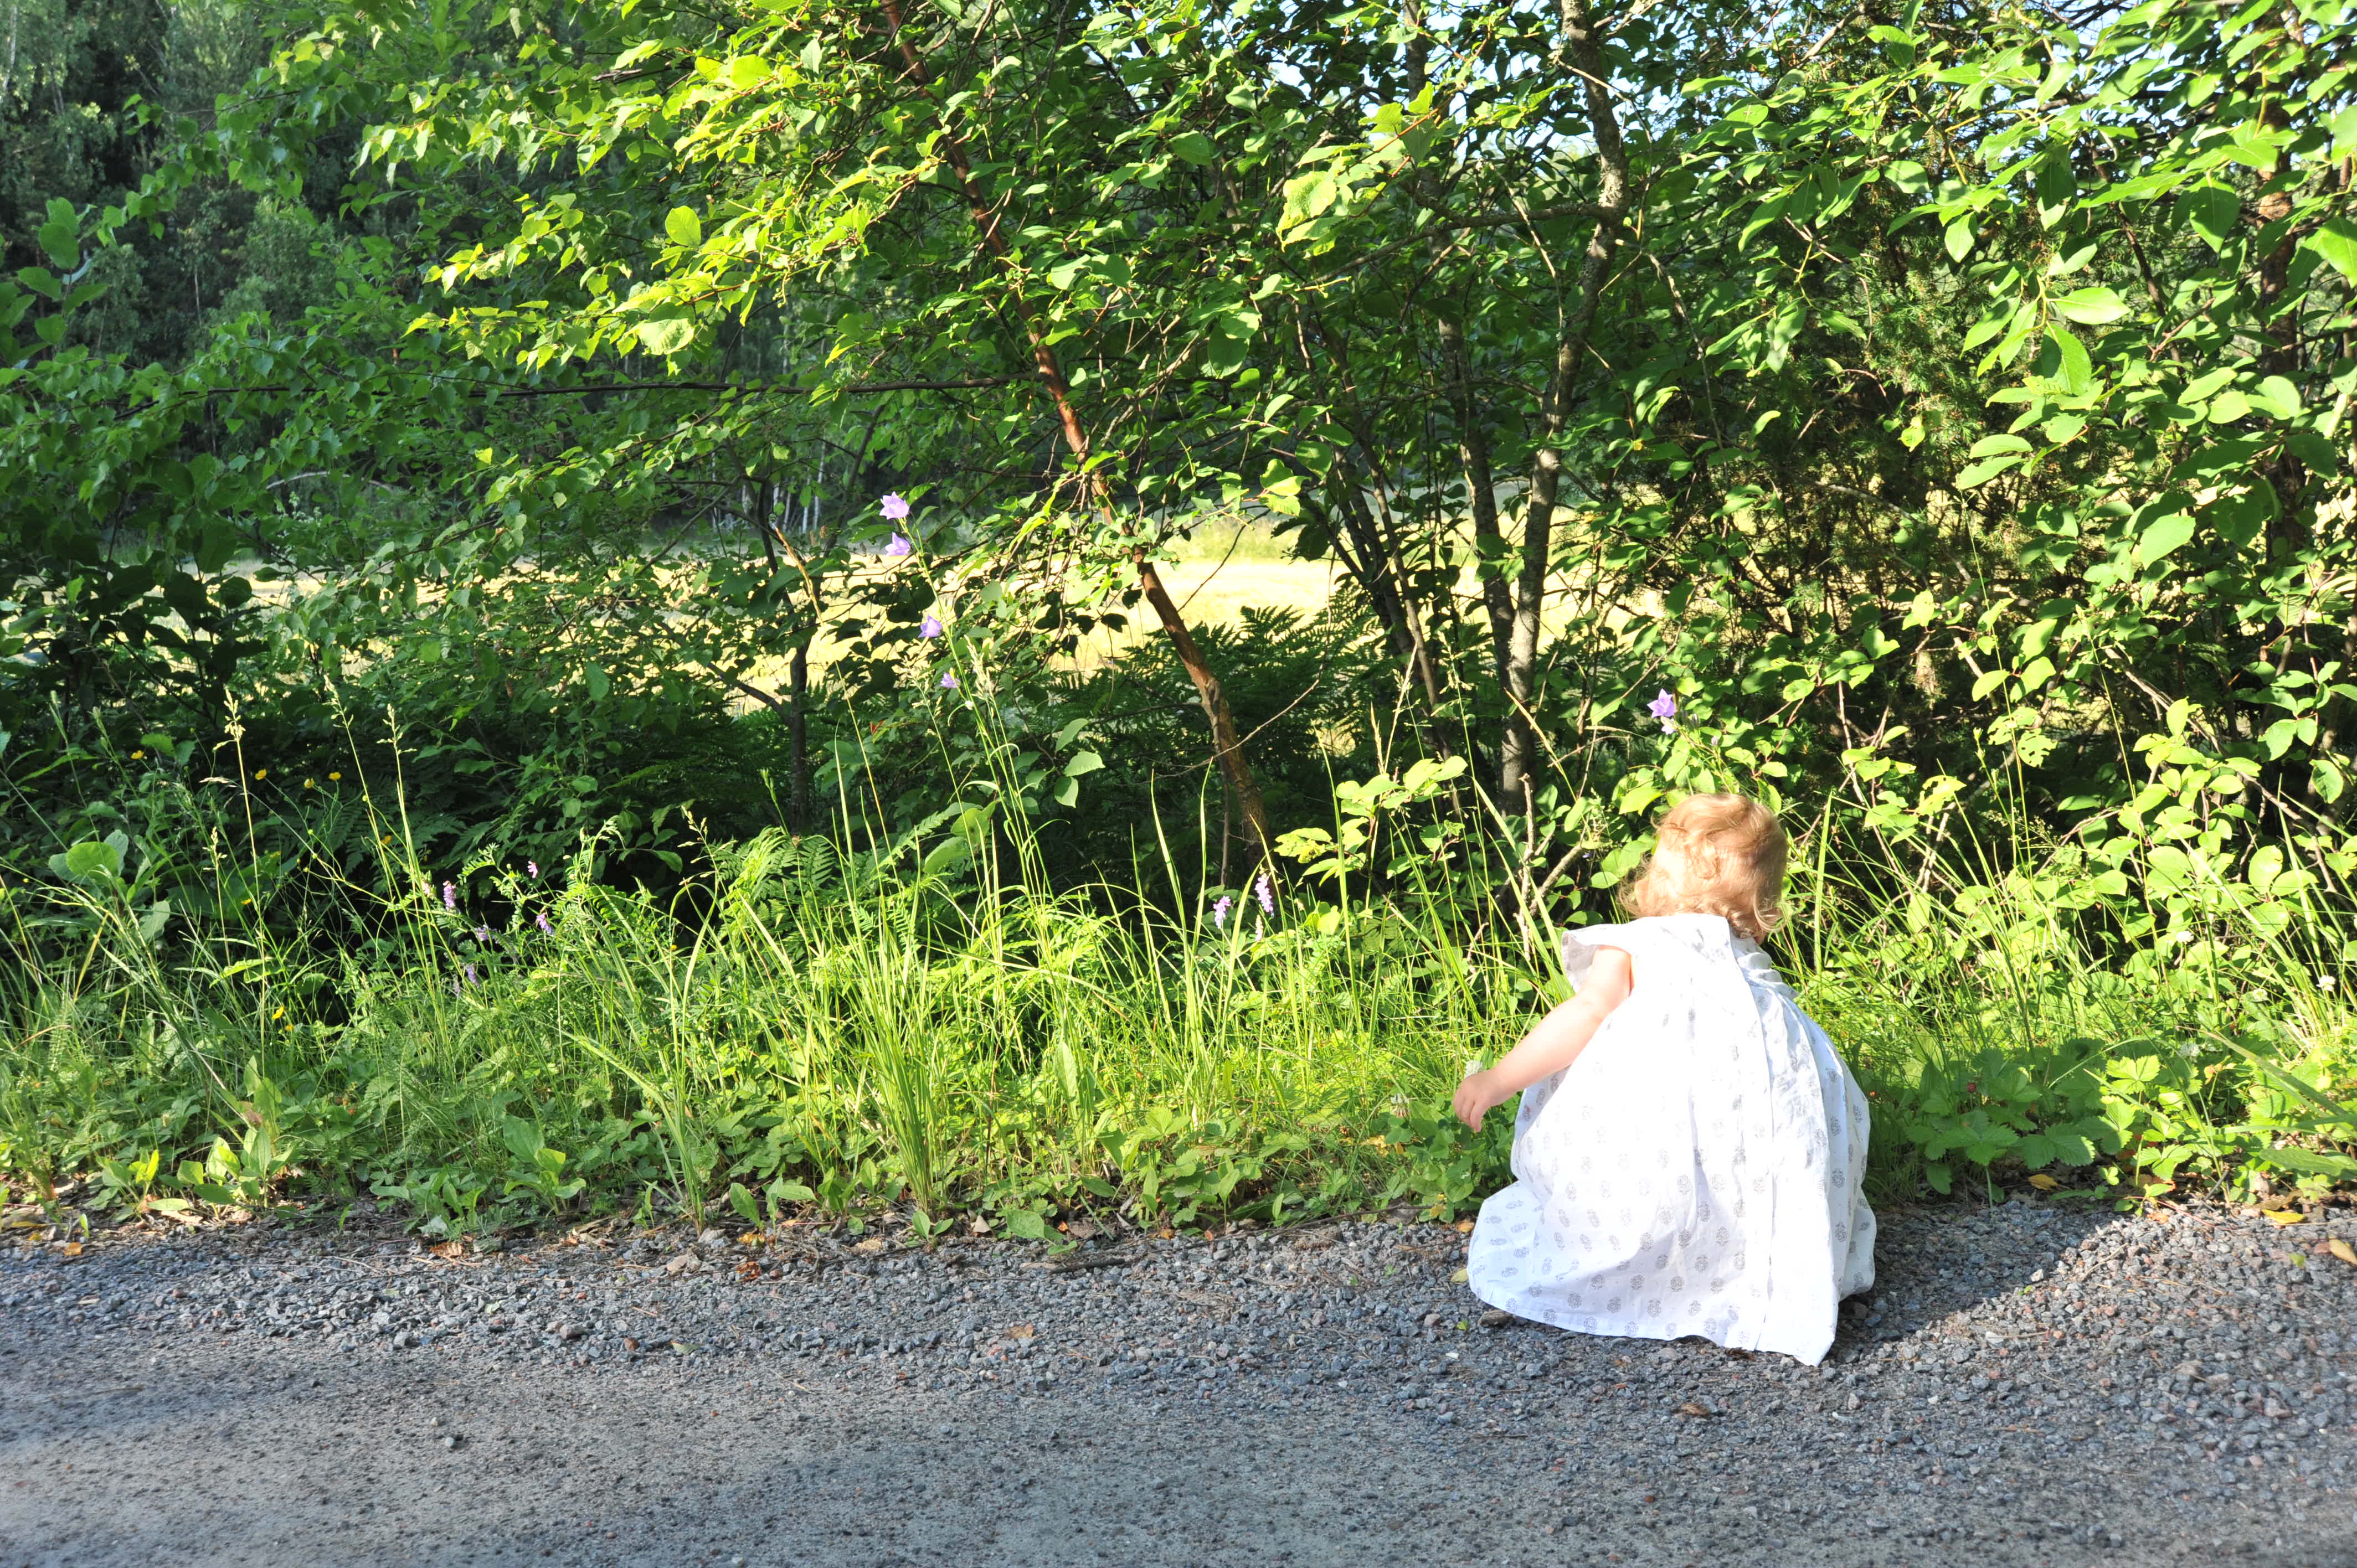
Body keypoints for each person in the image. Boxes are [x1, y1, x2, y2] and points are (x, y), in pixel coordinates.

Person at [1452, 792, 1875, 1365]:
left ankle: (1647, 1266)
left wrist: (1499, 1079)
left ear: (1657, 875)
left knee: (1652, 1156)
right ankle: (1757, 1267)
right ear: (1759, 899)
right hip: (1762, 1113)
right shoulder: (1746, 955)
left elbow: (1586, 1013)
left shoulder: (1633, 941)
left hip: (1660, 1114)